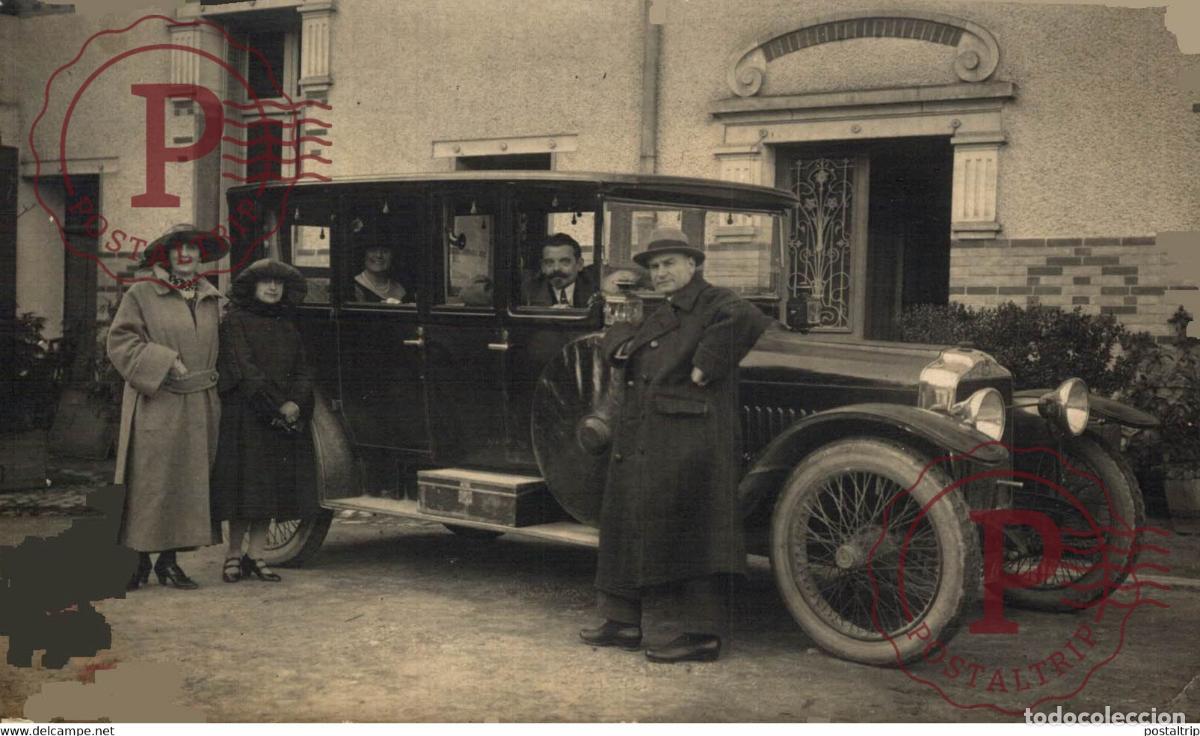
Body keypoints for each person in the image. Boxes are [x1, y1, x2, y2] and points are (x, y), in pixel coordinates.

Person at [581, 227, 772, 663]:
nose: (661, 272)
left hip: (692, 438)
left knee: (695, 526)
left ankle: (702, 635)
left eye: (669, 263)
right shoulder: (662, 310)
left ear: (693, 264)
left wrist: (709, 361)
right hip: (648, 432)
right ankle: (622, 620)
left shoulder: (714, 301)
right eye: (654, 266)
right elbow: (624, 347)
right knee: (626, 516)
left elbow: (747, 318)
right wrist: (618, 325)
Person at [107, 224, 226, 590]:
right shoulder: (142, 293)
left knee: (187, 484)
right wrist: (165, 359)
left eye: (192, 249)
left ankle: (169, 563)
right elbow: (120, 341)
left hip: (200, 404)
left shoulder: (211, 298)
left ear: (201, 255)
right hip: (157, 399)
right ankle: (138, 559)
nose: (186, 255)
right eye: (178, 249)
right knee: (151, 483)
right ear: (166, 256)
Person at [210, 259, 319, 583]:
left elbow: (303, 369)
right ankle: (233, 555)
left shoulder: (287, 324)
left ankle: (256, 556)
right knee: (245, 490)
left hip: (282, 418)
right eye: (265, 282)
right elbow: (244, 370)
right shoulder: (235, 322)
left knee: (269, 489)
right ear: (252, 287)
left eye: (278, 283)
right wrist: (276, 406)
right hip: (248, 415)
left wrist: (295, 402)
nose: (272, 288)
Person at [523, 233, 598, 308]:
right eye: (549, 262)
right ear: (543, 267)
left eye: (565, 262)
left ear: (579, 264)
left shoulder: (595, 286)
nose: (556, 268)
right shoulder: (529, 290)